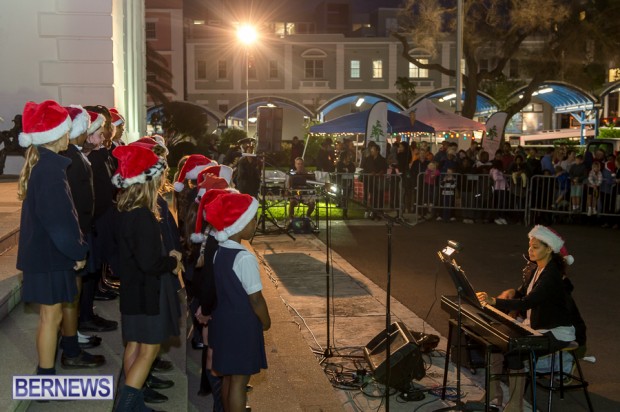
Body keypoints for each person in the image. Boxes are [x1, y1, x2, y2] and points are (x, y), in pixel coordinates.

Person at [16, 100, 89, 377]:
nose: (69, 135)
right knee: (51, 317)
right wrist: (77, 251)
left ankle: (46, 373)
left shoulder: (46, 165)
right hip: (48, 255)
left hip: (45, 253)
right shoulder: (50, 170)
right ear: (56, 135)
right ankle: (45, 377)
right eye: (65, 130)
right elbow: (59, 220)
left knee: (52, 316)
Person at [111, 144, 183, 411]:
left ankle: (135, 403)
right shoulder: (142, 216)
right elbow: (150, 263)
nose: (163, 178)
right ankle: (126, 406)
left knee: (134, 345)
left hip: (133, 290)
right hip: (148, 293)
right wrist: (173, 261)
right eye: (159, 174)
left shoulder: (125, 211)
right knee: (149, 350)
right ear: (147, 180)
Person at [476, 225, 576, 411]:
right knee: (494, 343)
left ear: (549, 249)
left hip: (556, 332)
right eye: (530, 246)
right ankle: (493, 393)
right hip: (535, 326)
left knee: (515, 352)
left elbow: (528, 302)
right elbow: (522, 294)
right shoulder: (535, 268)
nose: (530, 250)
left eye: (535, 247)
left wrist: (494, 301)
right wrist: (509, 294)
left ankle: (515, 405)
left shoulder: (552, 274)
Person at [205, 193, 271, 412]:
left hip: (224, 321)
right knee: (240, 382)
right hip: (241, 326)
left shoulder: (220, 252)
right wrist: (266, 321)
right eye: (252, 220)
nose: (255, 224)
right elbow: (256, 298)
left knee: (228, 377)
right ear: (240, 224)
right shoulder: (244, 258)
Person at [286, 157, 316, 221]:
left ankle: (308, 216)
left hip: (307, 196)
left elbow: (313, 185)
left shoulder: (309, 174)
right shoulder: (292, 175)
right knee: (291, 203)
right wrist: (290, 192)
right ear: (295, 165)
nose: (300, 165)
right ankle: (291, 219)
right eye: (298, 164)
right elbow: (288, 186)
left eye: (301, 164)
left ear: (303, 164)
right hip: (296, 195)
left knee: (312, 204)